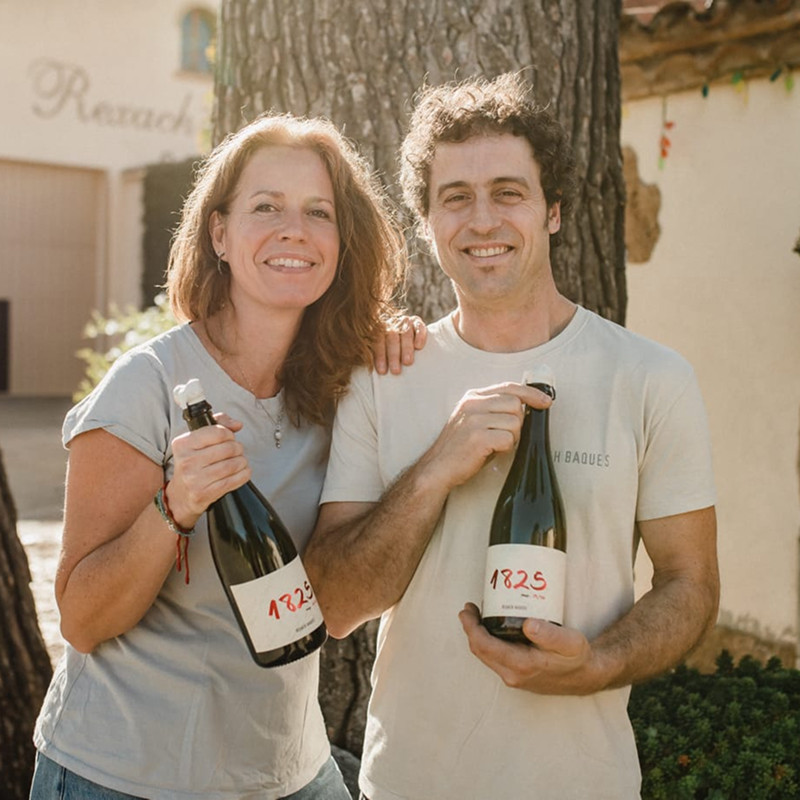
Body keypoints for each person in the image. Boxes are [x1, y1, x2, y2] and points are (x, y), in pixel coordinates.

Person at [303, 73, 719, 800]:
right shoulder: (383, 376)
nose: (483, 220)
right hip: (409, 784)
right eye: (455, 197)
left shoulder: (651, 377)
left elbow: (692, 583)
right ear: (427, 222)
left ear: (553, 212)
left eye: (509, 192)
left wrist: (595, 663)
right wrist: (435, 469)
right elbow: (334, 606)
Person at [30, 112, 425, 799]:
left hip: (288, 772)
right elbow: (82, 621)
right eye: (266, 207)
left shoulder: (347, 385)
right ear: (219, 234)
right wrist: (174, 506)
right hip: (126, 775)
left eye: (319, 212)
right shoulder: (148, 384)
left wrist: (400, 345)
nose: (293, 229)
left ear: (343, 242)